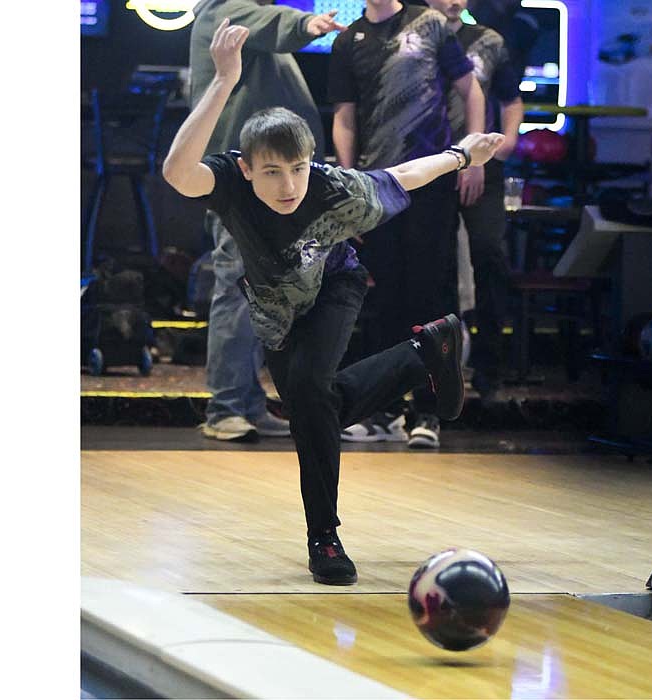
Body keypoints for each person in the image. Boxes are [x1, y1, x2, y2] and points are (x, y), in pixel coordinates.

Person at [163, 18, 504, 585]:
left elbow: (401, 174)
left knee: (313, 396)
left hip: (334, 289)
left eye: (296, 168)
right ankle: (423, 353)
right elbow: (177, 171)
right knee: (313, 412)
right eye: (271, 172)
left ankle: (324, 537)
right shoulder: (229, 183)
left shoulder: (329, 186)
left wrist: (462, 155)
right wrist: (224, 81)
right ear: (247, 170)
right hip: (276, 313)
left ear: (311, 160)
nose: (287, 184)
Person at [328, 0, 486, 449]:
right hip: (377, 187)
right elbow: (345, 117)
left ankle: (427, 412)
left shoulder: (431, 23)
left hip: (433, 181)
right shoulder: (347, 40)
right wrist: (349, 184)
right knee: (381, 300)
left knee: (431, 295)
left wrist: (473, 155)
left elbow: (470, 89)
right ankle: (378, 410)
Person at [187, 0, 345, 441]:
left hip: (267, 181)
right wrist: (307, 23)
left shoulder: (254, 29)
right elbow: (274, 23)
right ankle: (225, 408)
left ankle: (247, 404)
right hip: (244, 180)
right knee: (238, 288)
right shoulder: (226, 13)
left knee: (260, 294)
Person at [428, 0, 523, 403]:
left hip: (482, 164)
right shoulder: (415, 39)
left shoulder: (487, 40)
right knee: (440, 265)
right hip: (430, 165)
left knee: (488, 253)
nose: (454, 2)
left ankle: (489, 369)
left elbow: (511, 99)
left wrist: (504, 145)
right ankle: (443, 373)